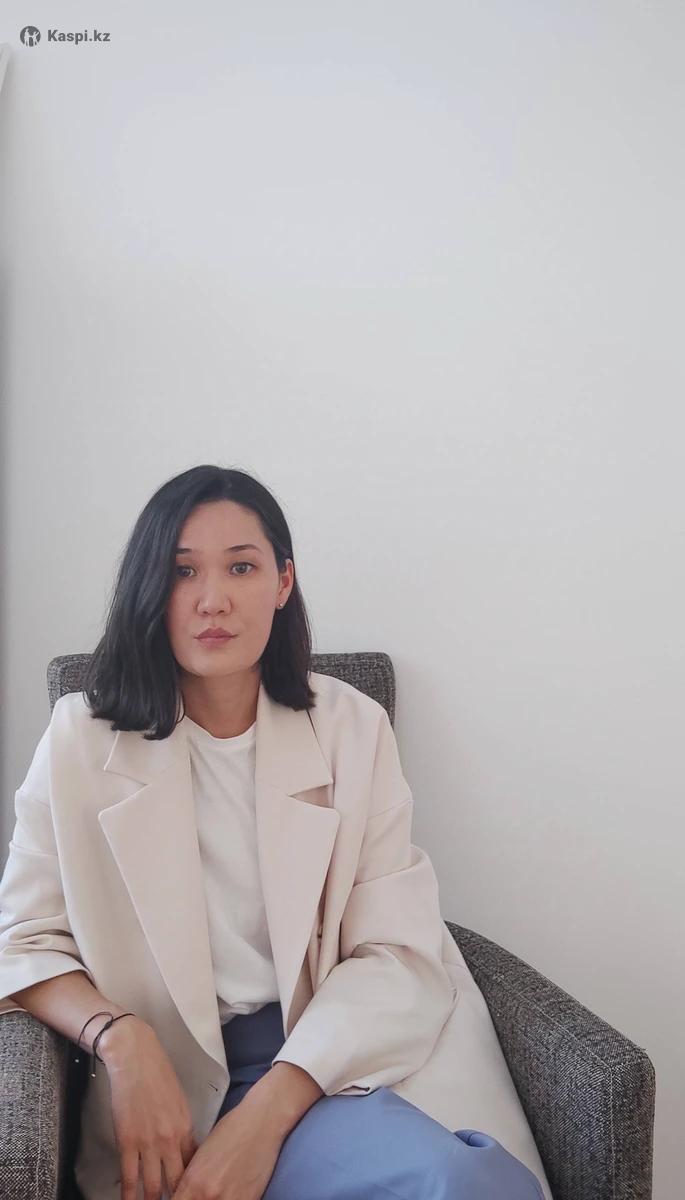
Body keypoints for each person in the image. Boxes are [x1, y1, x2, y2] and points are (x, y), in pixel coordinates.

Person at [0, 464, 547, 1200]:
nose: (213, 599)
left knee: (460, 1183)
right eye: (182, 571)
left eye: (242, 567)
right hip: (164, 1081)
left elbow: (397, 951)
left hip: (320, 1062)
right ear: (149, 588)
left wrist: (267, 1113)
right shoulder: (78, 739)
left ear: (283, 582)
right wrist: (121, 1039)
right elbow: (23, 941)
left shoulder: (352, 728)